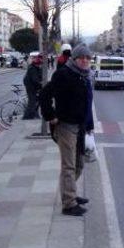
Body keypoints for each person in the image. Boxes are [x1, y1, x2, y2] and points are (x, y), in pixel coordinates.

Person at [40, 44, 94, 217]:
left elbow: (87, 103)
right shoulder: (64, 74)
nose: (85, 60)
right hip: (65, 126)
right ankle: (69, 204)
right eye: (81, 57)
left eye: (88, 58)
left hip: (80, 127)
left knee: (79, 163)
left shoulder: (85, 76)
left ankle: (69, 193)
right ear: (74, 58)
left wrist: (89, 126)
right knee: (69, 166)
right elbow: (44, 94)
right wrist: (50, 116)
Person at [23, 55, 43, 119]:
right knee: (32, 101)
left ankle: (35, 113)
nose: (40, 65)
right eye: (39, 64)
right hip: (31, 87)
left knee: (38, 100)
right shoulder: (32, 69)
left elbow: (40, 76)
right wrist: (41, 84)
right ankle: (26, 117)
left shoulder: (37, 68)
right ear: (36, 64)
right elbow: (35, 80)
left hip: (34, 87)